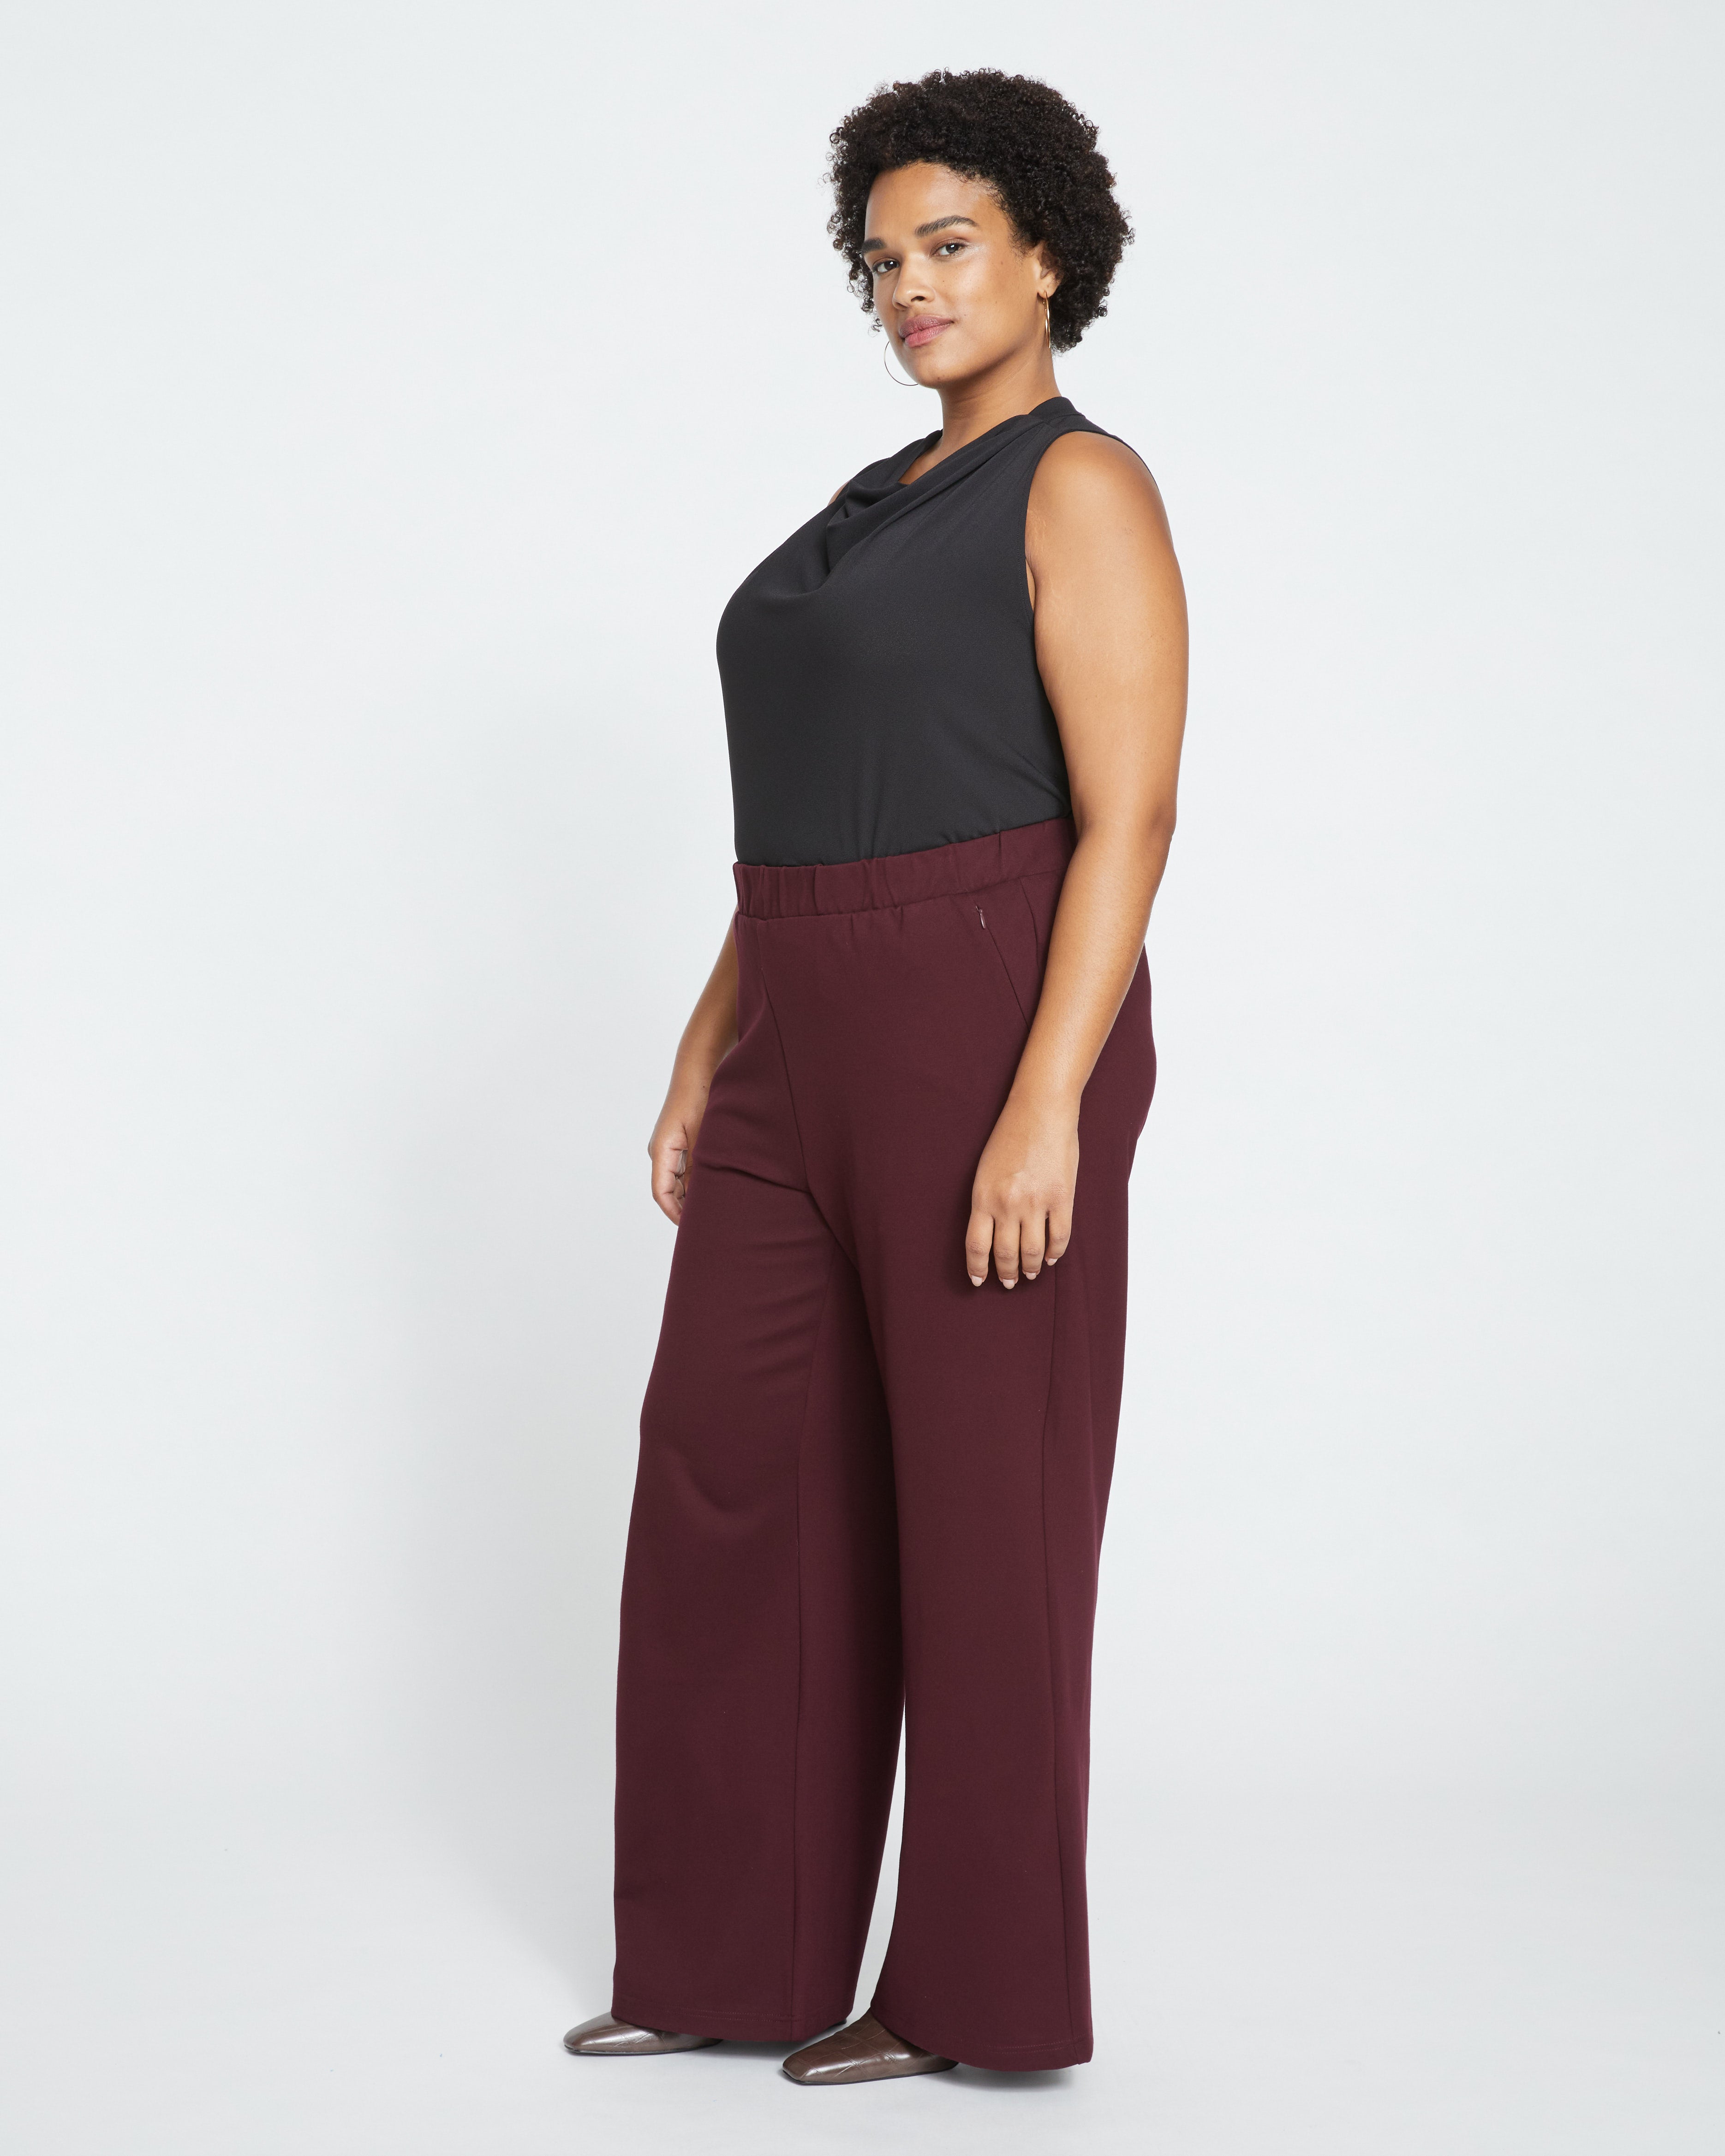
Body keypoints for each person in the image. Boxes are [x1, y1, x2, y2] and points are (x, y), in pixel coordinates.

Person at [564, 66, 1187, 2086]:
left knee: (983, 1512)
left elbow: (1127, 814)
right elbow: (813, 809)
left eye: (948, 246)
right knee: (729, 1475)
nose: (909, 285)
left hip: (984, 1015)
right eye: (880, 259)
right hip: (796, 1019)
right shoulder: (863, 506)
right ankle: (725, 1954)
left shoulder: (1077, 488)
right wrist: (707, 1042)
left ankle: (972, 1993)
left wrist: (1045, 1098)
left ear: (1043, 256)